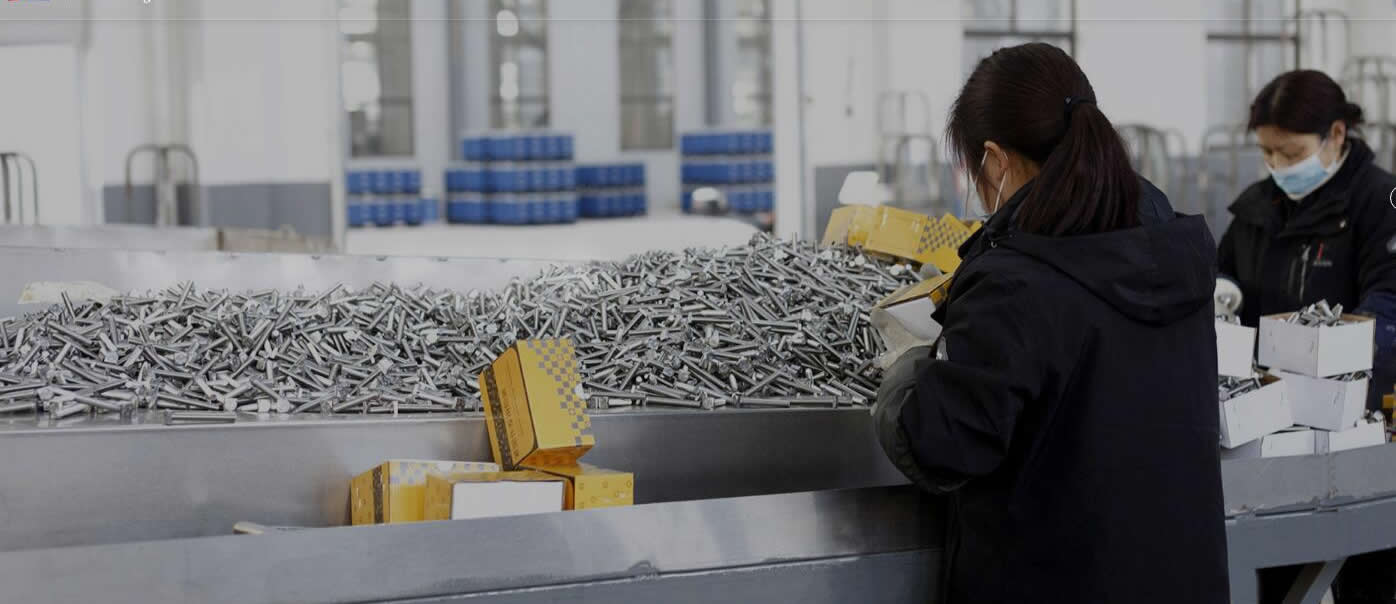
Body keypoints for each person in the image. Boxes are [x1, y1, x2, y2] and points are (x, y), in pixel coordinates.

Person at [873, 42, 1229, 603]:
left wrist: (908, 372)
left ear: (996, 159)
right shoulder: (1173, 250)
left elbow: (942, 445)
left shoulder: (1013, 283)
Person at [1216, 69, 1396, 604]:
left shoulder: (1380, 202)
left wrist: (1331, 361)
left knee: (1368, 565)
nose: (1278, 166)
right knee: (1278, 562)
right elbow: (1227, 274)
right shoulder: (1257, 207)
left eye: (1290, 153)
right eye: (1267, 153)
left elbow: (1389, 302)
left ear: (1336, 134)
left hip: (1364, 422)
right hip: (1272, 426)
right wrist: (1221, 292)